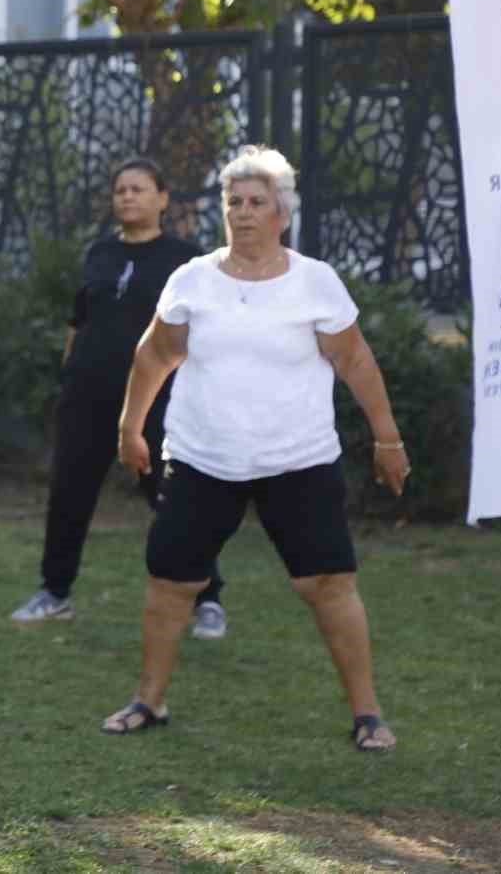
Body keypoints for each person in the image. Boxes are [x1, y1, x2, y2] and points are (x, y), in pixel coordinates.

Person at [100, 145, 406, 753]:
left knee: (328, 584)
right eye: (233, 201)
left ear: (281, 214)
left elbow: (355, 361)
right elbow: (154, 355)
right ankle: (149, 701)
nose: (242, 212)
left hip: (299, 461)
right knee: (170, 582)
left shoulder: (314, 282)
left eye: (256, 202)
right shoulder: (193, 280)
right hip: (201, 459)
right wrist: (131, 429)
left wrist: (387, 437)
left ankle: (367, 713)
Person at [11, 159, 226, 636]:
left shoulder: (187, 260)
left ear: (163, 198)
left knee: (175, 500)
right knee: (69, 493)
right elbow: (79, 320)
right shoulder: (100, 253)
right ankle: (55, 592)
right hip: (88, 396)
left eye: (139, 189)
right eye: (121, 190)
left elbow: (206, 331)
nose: (128, 197)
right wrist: (69, 377)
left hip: (156, 399)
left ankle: (207, 598)